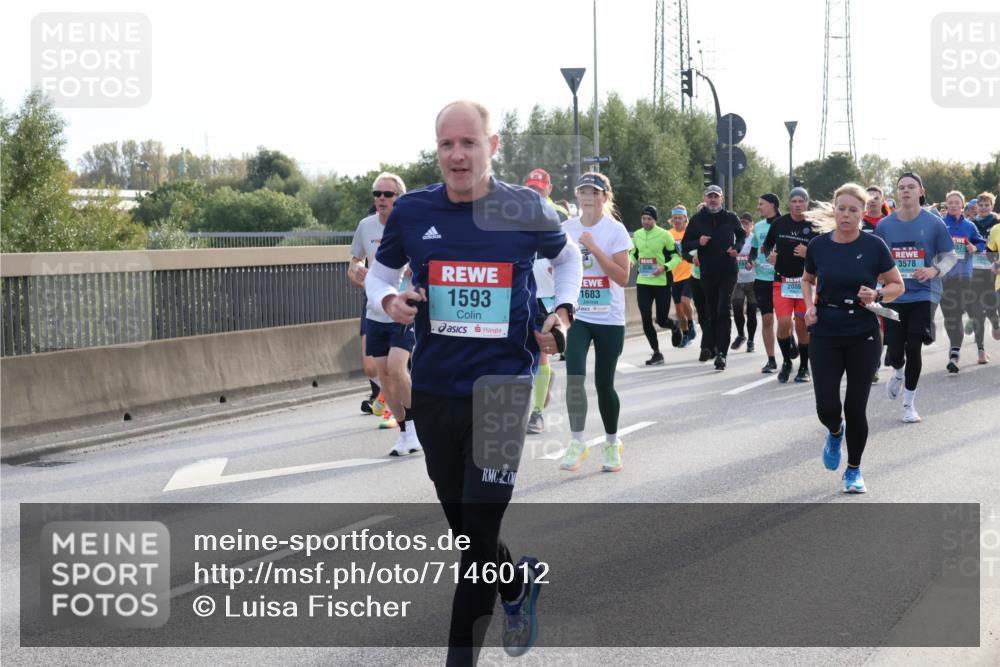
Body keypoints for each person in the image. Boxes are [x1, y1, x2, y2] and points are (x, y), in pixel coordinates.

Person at [367, 100, 582, 664]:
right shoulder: (412, 212)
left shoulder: (525, 206)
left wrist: (561, 315)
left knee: (476, 541)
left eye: (469, 143)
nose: (458, 155)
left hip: (502, 389)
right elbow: (382, 275)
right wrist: (390, 299)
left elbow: (569, 260)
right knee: (471, 536)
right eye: (446, 145)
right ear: (436, 149)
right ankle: (516, 585)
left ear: (493, 145)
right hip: (434, 389)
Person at [802, 183, 905, 493]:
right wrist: (809, 308)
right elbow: (807, 280)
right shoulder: (819, 245)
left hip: (863, 332)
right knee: (827, 408)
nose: (846, 215)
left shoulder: (874, 246)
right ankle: (835, 433)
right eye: (841, 209)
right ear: (834, 210)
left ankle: (854, 470)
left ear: (863, 214)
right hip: (825, 331)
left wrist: (877, 293)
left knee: (855, 406)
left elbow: (897, 285)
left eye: (853, 210)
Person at [560, 172, 632, 472]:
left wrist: (593, 246)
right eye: (583, 191)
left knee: (604, 383)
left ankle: (612, 443)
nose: (588, 196)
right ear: (577, 196)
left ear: (605, 197)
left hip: (610, 317)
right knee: (574, 376)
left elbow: (622, 276)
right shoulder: (565, 228)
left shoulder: (615, 230)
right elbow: (556, 266)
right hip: (579, 315)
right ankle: (577, 442)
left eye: (594, 192)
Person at [874, 172, 958, 423]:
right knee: (896, 350)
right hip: (895, 294)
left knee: (914, 345)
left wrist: (934, 270)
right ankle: (898, 372)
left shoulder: (934, 223)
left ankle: (908, 404)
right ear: (898, 192)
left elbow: (950, 256)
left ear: (921, 191)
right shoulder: (885, 226)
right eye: (901, 187)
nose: (906, 191)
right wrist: (878, 276)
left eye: (911, 187)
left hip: (925, 292)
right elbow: (876, 258)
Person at [349, 173, 421, 451]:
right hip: (375, 309)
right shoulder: (366, 227)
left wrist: (417, 271)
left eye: (387, 195)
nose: (381, 199)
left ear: (399, 199)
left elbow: (425, 263)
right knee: (382, 376)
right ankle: (405, 430)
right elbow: (355, 261)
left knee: (396, 369)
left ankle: (418, 424)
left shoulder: (410, 226)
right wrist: (355, 271)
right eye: (377, 193)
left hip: (403, 309)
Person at [681, 185, 746, 370]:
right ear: (705, 198)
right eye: (709, 197)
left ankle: (722, 354)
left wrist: (737, 249)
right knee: (710, 313)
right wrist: (698, 243)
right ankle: (712, 346)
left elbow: (741, 236)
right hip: (707, 273)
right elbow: (685, 245)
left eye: (715, 197)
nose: (712, 200)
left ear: (722, 199)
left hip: (728, 271)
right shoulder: (697, 220)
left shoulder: (730, 218)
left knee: (723, 310)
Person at [523, 169, 567, 434]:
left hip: (547, 295)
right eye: (531, 188)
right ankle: (542, 385)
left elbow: (570, 254)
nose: (535, 193)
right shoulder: (516, 214)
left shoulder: (559, 216)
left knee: (540, 351)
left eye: (540, 189)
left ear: (549, 188)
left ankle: (536, 413)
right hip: (523, 293)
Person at [762, 187, 818, 383]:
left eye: (801, 201)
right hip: (782, 281)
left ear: (807, 203)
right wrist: (770, 256)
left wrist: (809, 252)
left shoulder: (815, 225)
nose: (797, 205)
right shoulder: (779, 223)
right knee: (784, 322)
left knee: (803, 325)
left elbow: (825, 252)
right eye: (794, 201)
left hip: (806, 283)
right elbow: (766, 246)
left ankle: (804, 366)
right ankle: (786, 361)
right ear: (789, 204)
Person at [941, 190, 987, 372]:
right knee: (951, 317)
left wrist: (974, 247)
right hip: (945, 277)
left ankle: (980, 348)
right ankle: (954, 353)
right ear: (947, 205)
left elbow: (982, 243)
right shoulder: (940, 225)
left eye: (956, 202)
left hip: (965, 276)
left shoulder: (970, 226)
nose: (953, 205)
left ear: (963, 205)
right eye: (950, 202)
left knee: (975, 312)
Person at [632, 204, 681, 364]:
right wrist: (630, 261)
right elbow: (634, 253)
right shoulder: (637, 235)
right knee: (645, 317)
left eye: (649, 219)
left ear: (655, 220)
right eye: (644, 218)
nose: (646, 221)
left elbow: (677, 257)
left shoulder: (664, 235)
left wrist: (665, 268)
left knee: (661, 320)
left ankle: (674, 325)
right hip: (643, 282)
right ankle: (656, 352)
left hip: (661, 283)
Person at [747, 193, 782, 372]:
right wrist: (751, 260)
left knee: (785, 321)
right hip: (762, 279)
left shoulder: (785, 223)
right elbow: (754, 249)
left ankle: (788, 341)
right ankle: (771, 359)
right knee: (767, 319)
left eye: (761, 204)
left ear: (772, 205)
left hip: (782, 279)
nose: (759, 207)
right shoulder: (759, 227)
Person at [971, 192, 1000, 343]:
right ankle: (980, 339)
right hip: (975, 269)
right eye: (980, 205)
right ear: (976, 207)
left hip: (994, 270)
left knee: (991, 304)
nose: (983, 208)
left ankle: (995, 323)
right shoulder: (972, 224)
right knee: (976, 306)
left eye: (986, 205)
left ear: (992, 206)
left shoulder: (996, 223)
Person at [668, 205, 697, 347]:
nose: (678, 220)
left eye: (680, 218)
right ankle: (685, 334)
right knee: (679, 310)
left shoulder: (690, 232)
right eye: (675, 218)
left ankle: (692, 324)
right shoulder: (668, 234)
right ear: (672, 220)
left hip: (689, 273)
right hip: (675, 276)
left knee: (685, 301)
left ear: (686, 218)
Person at [731, 212, 758, 352]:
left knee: (752, 312)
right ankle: (741, 335)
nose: (744, 226)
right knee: (737, 309)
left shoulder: (755, 239)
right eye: (742, 223)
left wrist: (752, 261)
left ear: (752, 226)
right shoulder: (735, 239)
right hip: (737, 281)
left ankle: (751, 340)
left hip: (753, 281)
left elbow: (759, 254)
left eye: (747, 223)